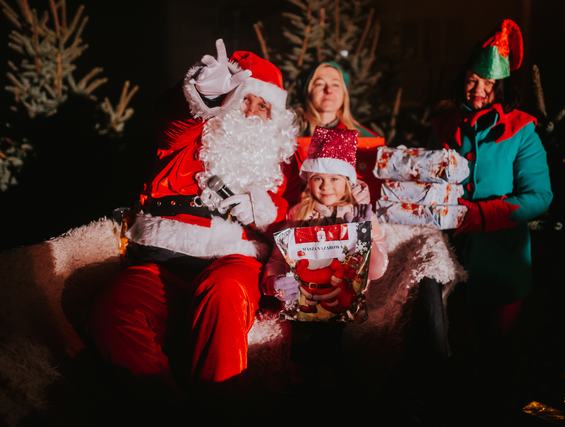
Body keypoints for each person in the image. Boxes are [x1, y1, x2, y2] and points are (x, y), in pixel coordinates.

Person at [87, 39, 298, 405]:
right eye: (244, 99)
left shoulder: (279, 167)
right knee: (112, 313)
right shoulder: (187, 139)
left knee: (224, 294)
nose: (250, 111)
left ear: (274, 120)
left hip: (234, 262)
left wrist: (265, 212)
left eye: (262, 105)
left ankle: (220, 410)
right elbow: (171, 121)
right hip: (161, 264)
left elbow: (297, 220)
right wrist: (203, 93)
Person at [426, 18, 553, 423]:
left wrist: (478, 215)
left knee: (499, 360)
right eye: (472, 80)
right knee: (455, 356)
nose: (478, 89)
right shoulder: (444, 125)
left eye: (488, 83)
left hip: (503, 261)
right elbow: (425, 178)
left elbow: (539, 197)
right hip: (451, 260)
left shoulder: (521, 130)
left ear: (502, 87)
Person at [261, 126, 388, 390]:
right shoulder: (298, 214)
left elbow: (376, 270)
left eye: (334, 179)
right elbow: (278, 259)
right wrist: (276, 282)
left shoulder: (360, 215)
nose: (326, 186)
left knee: (332, 355)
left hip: (342, 308)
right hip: (305, 306)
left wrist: (364, 235)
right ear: (309, 180)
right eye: (319, 178)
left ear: (348, 181)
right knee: (302, 358)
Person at [283, 61, 385, 207]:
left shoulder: (367, 140)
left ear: (344, 94)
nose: (328, 90)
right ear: (308, 91)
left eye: (335, 84)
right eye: (319, 84)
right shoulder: (288, 135)